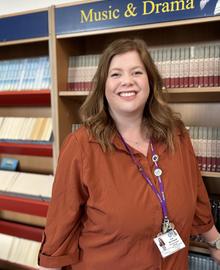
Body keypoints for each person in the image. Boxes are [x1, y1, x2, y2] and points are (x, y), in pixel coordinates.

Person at [38, 38, 220, 270]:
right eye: (115, 75)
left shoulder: (177, 136)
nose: (127, 81)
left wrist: (216, 241)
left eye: (136, 72)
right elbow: (60, 225)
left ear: (150, 81)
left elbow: (196, 194)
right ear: (103, 86)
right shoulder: (81, 146)